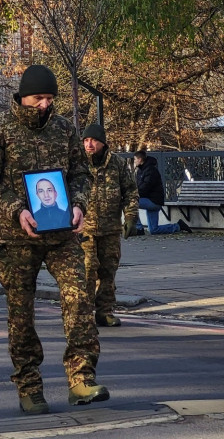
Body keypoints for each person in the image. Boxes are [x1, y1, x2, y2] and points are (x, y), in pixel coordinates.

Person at [0, 64, 107, 413]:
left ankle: (81, 379)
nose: (44, 105)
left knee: (79, 299)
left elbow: (81, 174)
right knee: (22, 314)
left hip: (63, 235)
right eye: (37, 98)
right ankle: (29, 386)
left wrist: (77, 205)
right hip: (17, 238)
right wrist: (16, 209)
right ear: (22, 96)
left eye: (49, 98)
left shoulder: (64, 129)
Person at [81, 124, 138, 328]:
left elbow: (130, 191)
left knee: (108, 271)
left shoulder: (118, 164)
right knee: (87, 270)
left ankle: (104, 312)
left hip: (110, 227)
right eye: (86, 140)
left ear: (103, 143)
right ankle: (84, 314)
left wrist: (130, 216)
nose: (89, 144)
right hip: (84, 228)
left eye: (93, 140)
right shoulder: (77, 163)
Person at [134, 150, 189, 235]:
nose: (134, 161)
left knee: (130, 202)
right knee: (154, 230)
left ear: (140, 159)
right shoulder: (141, 171)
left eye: (135, 159)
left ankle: (139, 228)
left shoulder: (151, 170)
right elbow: (139, 186)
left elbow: (145, 188)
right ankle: (178, 226)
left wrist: (133, 194)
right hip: (150, 200)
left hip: (154, 202)